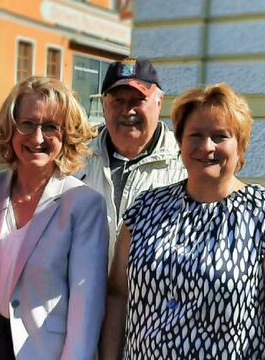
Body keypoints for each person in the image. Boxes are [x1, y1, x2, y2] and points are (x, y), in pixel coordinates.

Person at [102, 83, 265, 359]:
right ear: (181, 141)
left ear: (241, 144)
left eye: (220, 136)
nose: (206, 147)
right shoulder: (145, 209)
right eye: (195, 135)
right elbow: (118, 295)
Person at [0, 76, 108, 359]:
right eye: (28, 124)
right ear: (10, 129)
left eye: (50, 127)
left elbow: (86, 308)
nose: (37, 138)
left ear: (66, 135)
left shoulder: (84, 205)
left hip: (45, 352)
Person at [79, 57, 186, 261]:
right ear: (103, 106)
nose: (128, 111)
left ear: (159, 102)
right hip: (85, 292)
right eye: (118, 101)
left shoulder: (184, 163)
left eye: (138, 100)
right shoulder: (77, 160)